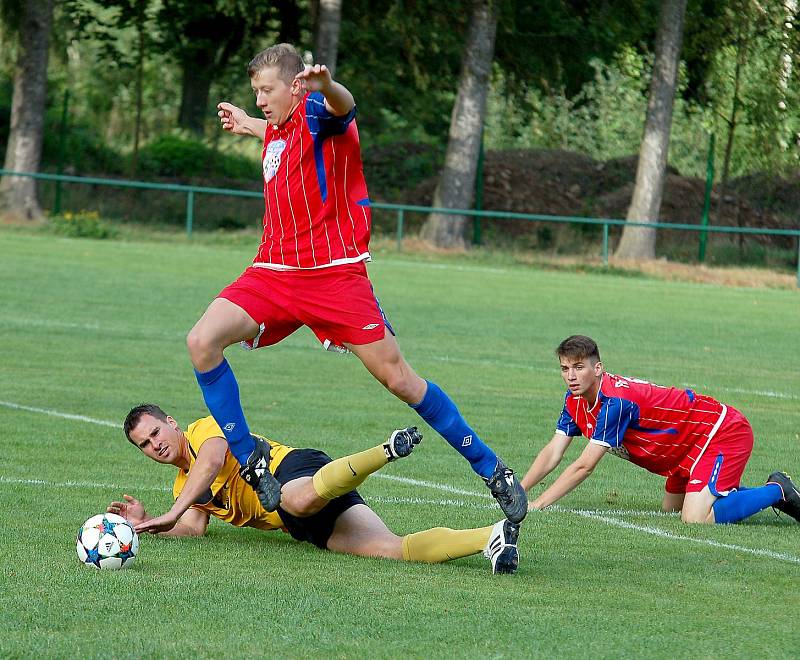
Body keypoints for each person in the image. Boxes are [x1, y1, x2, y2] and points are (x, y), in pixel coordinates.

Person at [187, 42, 526, 524]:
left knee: (400, 380)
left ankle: (493, 469)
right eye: (256, 91)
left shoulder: (318, 114)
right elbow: (281, 137)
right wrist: (250, 123)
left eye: (267, 90)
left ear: (295, 86)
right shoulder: (279, 128)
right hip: (274, 273)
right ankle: (252, 460)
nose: (260, 98)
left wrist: (326, 85)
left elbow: (342, 108)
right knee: (202, 341)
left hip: (335, 277)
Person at [110, 404, 521, 574]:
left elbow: (213, 461)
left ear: (173, 424)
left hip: (293, 470)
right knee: (392, 549)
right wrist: (150, 523)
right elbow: (195, 528)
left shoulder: (204, 429)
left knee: (297, 497)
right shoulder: (186, 486)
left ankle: (385, 450)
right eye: (144, 444)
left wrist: (172, 511)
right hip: (299, 521)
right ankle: (492, 537)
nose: (155, 444)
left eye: (155, 432)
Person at [520, 335, 800, 524]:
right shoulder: (575, 400)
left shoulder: (615, 402)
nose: (570, 376)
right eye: (564, 368)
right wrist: (519, 492)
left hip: (721, 431)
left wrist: (539, 503)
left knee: (694, 518)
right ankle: (721, 489)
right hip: (685, 450)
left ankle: (778, 490)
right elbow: (554, 451)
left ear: (598, 369)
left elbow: (584, 466)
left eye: (579, 367)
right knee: (672, 512)